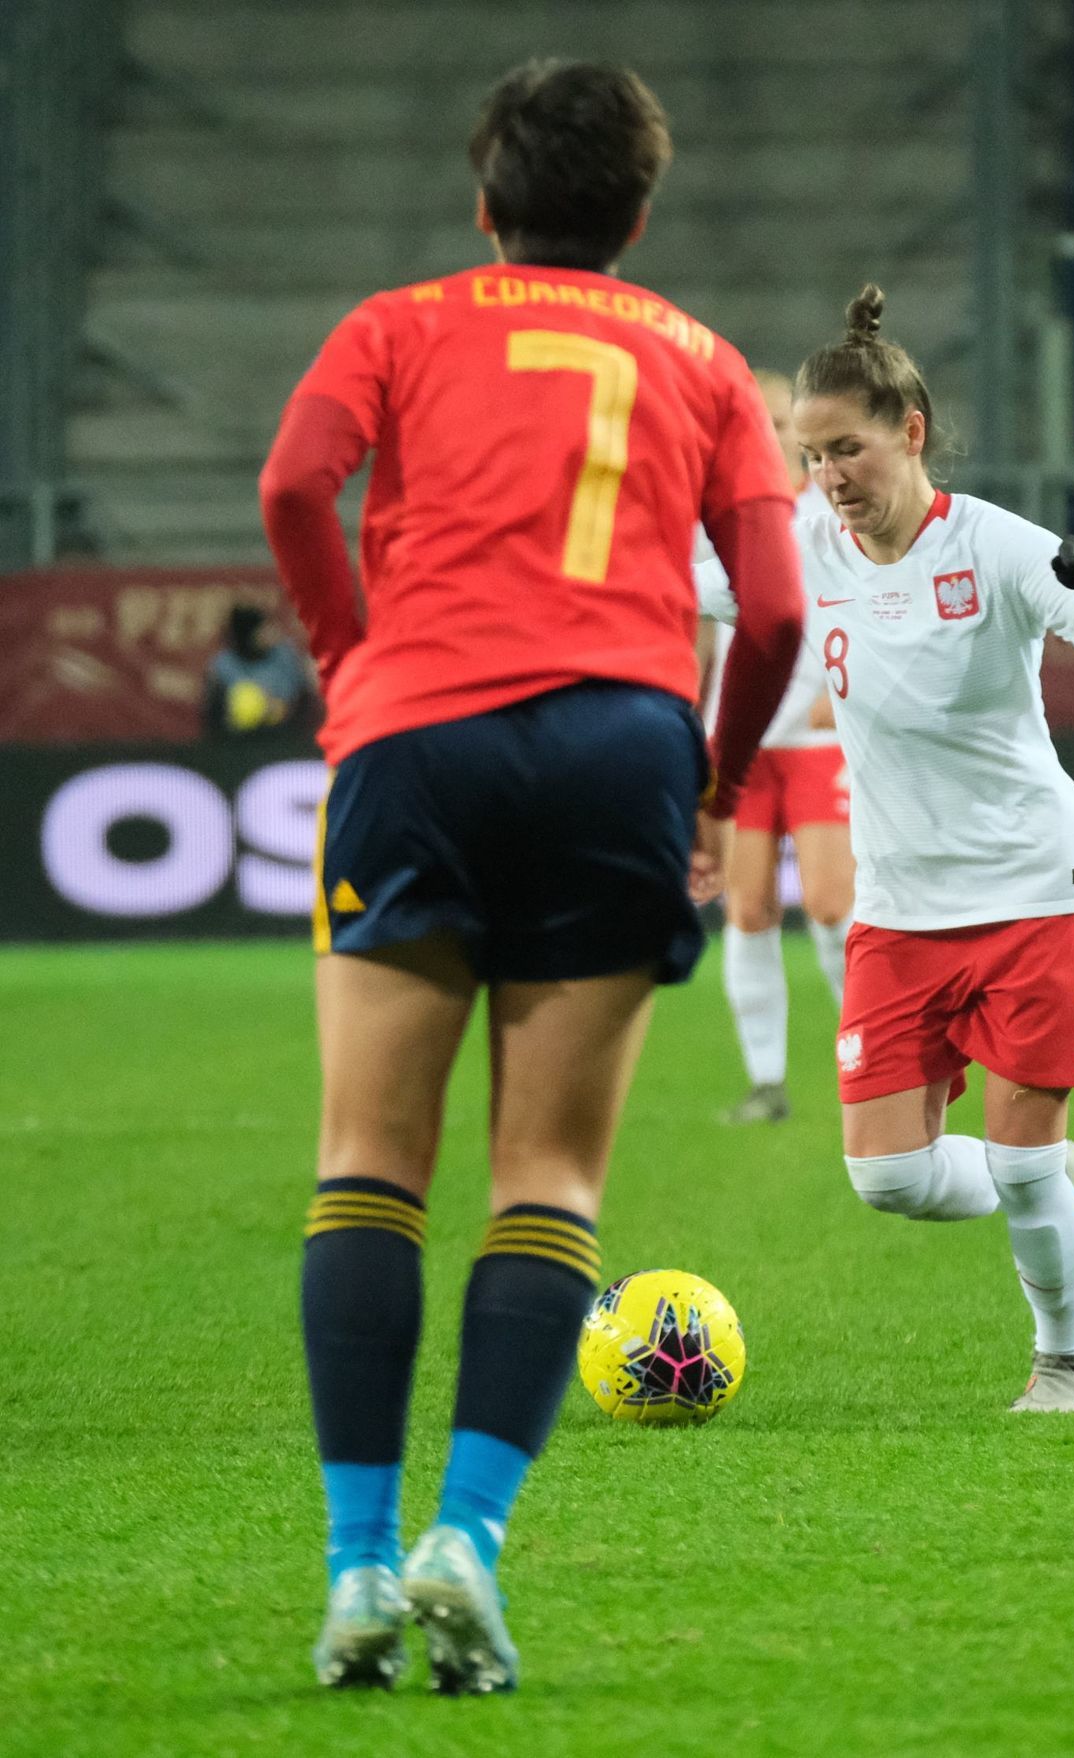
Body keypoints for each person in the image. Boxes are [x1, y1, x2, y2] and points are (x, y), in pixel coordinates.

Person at [259, 60, 803, 1696]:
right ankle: (467, 1543)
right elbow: (771, 612)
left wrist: (353, 655)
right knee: (545, 1173)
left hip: (416, 731)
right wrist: (707, 778)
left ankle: (356, 1565)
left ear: (484, 200)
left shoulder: (398, 322)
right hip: (622, 744)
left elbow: (295, 487)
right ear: (636, 216)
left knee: (368, 1158)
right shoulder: (704, 358)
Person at [696, 283, 1074, 1414]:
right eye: (811, 457)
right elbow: (683, 580)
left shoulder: (997, 546)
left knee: (1011, 1154)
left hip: (1033, 891)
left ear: (909, 433)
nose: (829, 479)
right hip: (903, 911)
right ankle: (1061, 1181)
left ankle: (1065, 1365)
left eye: (847, 450)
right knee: (888, 1179)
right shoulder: (808, 546)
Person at [698, 370, 855, 1123]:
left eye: (778, 416)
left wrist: (844, 683)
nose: (767, 428)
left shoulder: (831, 508)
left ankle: (871, 1058)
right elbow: (697, 619)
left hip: (815, 737)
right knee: (748, 907)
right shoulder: (718, 508)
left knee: (831, 903)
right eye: (754, 417)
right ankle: (767, 1084)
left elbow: (868, 596)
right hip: (738, 737)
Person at [202, 602, 314, 735]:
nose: (271, 633)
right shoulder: (223, 665)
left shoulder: (285, 656)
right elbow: (214, 716)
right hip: (238, 741)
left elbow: (303, 699)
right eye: (262, 629)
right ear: (248, 636)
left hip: (282, 737)